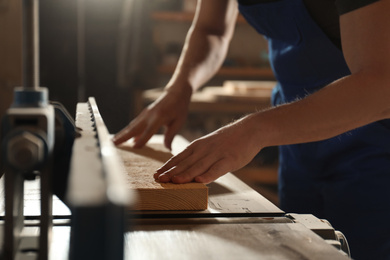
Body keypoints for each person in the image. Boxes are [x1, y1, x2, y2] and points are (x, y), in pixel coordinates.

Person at [113, 0, 390, 259]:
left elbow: (381, 87)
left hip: (376, 145)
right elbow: (212, 29)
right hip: (295, 139)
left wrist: (254, 131)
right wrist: (180, 86)